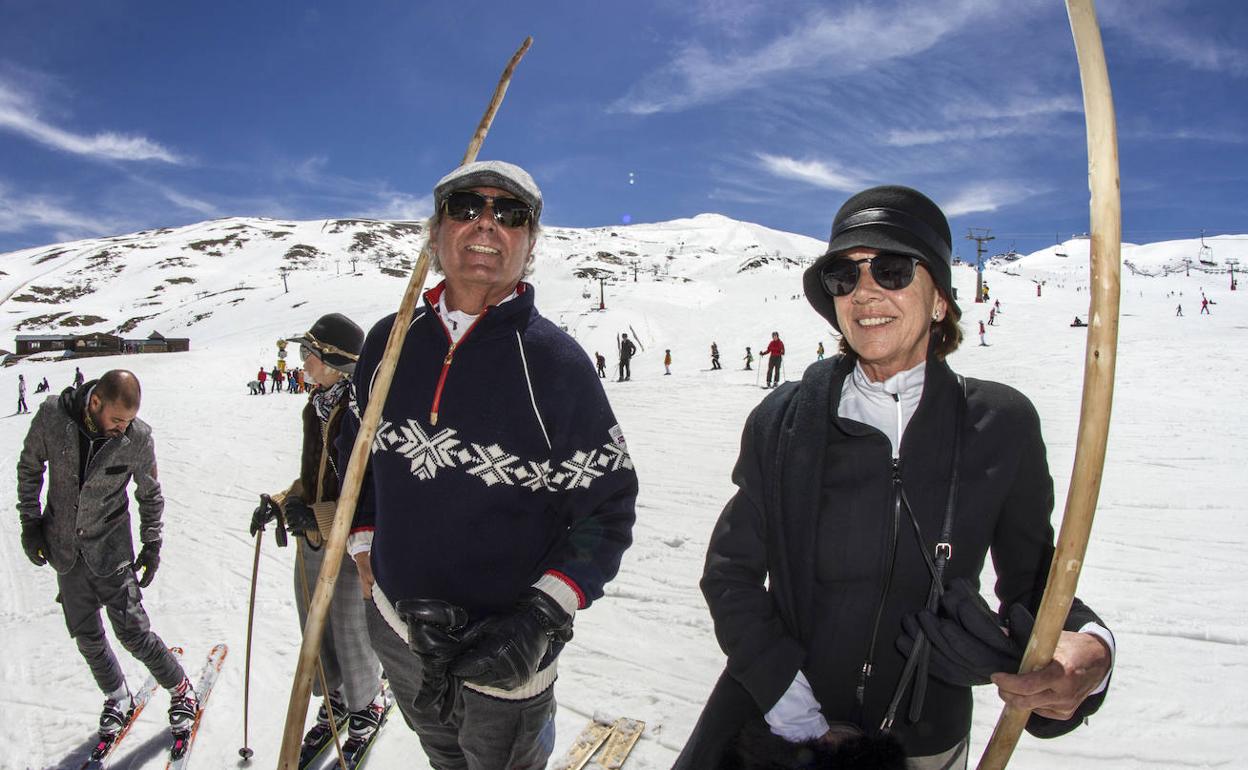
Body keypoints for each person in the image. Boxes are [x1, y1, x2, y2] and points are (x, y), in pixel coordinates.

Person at [676, 186, 1113, 769]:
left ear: (939, 300)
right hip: (779, 733)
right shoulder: (783, 422)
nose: (865, 293)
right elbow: (731, 576)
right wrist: (796, 713)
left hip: (924, 741)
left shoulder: (1000, 424)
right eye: (843, 276)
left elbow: (1036, 582)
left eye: (892, 269)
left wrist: (1090, 648)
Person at [340, 160, 638, 769]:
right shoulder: (388, 343)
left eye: (510, 215)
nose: (486, 224)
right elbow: (356, 449)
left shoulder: (555, 364)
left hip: (504, 654)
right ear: (435, 230)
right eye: (465, 208)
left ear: (530, 244)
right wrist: (364, 539)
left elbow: (607, 507)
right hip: (397, 627)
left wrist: (540, 615)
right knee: (443, 757)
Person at [17, 370, 199, 746]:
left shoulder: (138, 437)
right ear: (95, 402)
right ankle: (117, 695)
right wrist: (30, 523)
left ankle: (180, 687)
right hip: (64, 549)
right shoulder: (53, 416)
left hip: (112, 548)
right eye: (117, 420)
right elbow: (30, 468)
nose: (122, 428)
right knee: (86, 634)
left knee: (133, 631)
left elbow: (150, 494)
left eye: (129, 421)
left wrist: (152, 545)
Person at [251, 313, 387, 752]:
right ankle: (338, 701)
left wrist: (323, 517)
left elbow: (369, 491)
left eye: (308, 354)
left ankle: (367, 704)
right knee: (316, 629)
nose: (301, 363)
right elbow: (314, 476)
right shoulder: (317, 405)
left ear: (334, 361)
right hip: (312, 540)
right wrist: (280, 501)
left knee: (349, 632)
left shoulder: (361, 414)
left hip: (351, 546)